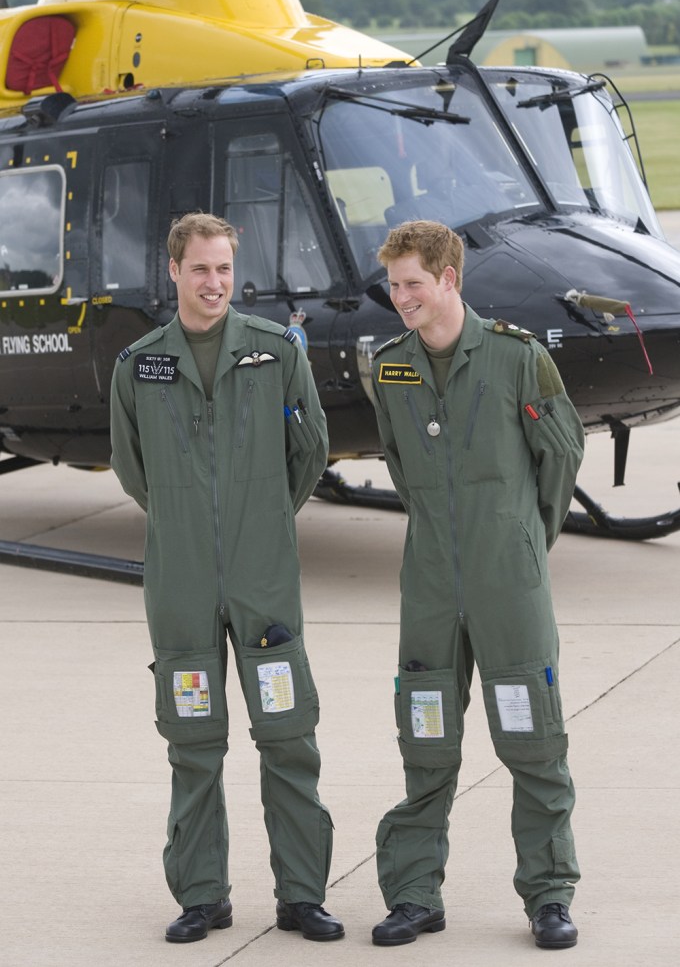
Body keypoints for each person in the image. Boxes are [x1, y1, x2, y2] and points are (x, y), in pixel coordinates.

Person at [110, 211, 343, 945]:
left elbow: (310, 450)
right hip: (180, 581)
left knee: (288, 735)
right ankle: (203, 895)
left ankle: (302, 895)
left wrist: (261, 516)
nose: (215, 283)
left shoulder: (275, 353)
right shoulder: (139, 364)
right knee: (193, 741)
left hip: (263, 574)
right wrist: (186, 520)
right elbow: (133, 467)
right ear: (173, 271)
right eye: (200, 269)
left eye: (224, 268)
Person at [368, 220, 584, 951]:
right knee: (425, 735)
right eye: (394, 285)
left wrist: (522, 538)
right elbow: (401, 465)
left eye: (413, 284)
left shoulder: (518, 359)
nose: (401, 299)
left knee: (533, 739)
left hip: (507, 581)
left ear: (450, 279)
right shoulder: (390, 367)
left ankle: (549, 894)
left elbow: (559, 456)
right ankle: (415, 894)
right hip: (429, 582)